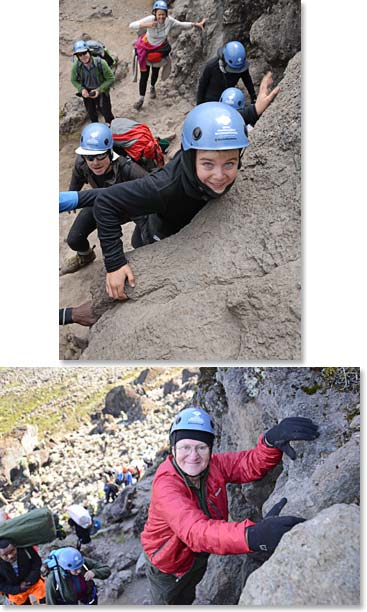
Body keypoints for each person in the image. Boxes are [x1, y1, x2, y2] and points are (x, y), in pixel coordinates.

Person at [59, 101, 250, 300]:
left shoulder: (131, 170)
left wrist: (253, 111)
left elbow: (122, 198)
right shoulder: (163, 186)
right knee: (77, 238)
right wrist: (73, 196)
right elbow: (108, 198)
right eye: (208, 164)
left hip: (139, 207)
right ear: (191, 157)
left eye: (230, 163)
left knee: (142, 241)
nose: (219, 175)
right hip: (135, 207)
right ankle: (86, 255)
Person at [140, 408, 319, 604]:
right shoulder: (166, 485)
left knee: (189, 595)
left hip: (197, 556)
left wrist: (269, 441)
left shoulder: (212, 466)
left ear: (210, 449)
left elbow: (247, 464)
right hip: (168, 566)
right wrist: (252, 535)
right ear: (173, 449)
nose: (193, 456)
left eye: (201, 447)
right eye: (185, 447)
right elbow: (194, 531)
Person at [60, 123, 147, 275]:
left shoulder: (128, 169)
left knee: (140, 242)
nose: (95, 162)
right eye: (90, 157)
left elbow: (151, 189)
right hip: (102, 202)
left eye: (100, 155)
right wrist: (72, 193)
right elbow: (77, 177)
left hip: (132, 206)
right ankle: (85, 256)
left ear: (110, 152)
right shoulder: (82, 163)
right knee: (74, 239)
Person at [129, 0, 207, 110]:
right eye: (159, 14)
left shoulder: (169, 21)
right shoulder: (150, 19)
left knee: (155, 72)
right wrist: (148, 25)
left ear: (166, 14)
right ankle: (141, 99)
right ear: (155, 14)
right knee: (144, 76)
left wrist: (196, 24)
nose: (161, 17)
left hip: (159, 50)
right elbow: (132, 25)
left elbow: (181, 25)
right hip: (146, 50)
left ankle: (152, 87)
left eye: (163, 14)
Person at [197, 40, 257, 106]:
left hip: (228, 100)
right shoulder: (211, 66)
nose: (236, 71)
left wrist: (253, 97)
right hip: (211, 101)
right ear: (224, 61)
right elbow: (202, 86)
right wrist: (199, 105)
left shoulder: (241, 66)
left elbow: (247, 80)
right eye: (233, 69)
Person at [45, 546, 111, 605]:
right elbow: (50, 601)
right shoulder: (53, 577)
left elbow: (106, 569)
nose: (79, 571)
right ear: (66, 568)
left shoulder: (80, 562)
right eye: (75, 570)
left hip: (88, 598)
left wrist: (94, 572)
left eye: (79, 567)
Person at [70, 40, 115, 124]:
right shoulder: (76, 66)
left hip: (102, 92)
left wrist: (99, 90)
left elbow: (111, 78)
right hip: (87, 93)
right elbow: (73, 80)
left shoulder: (101, 63)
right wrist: (82, 89)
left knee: (107, 113)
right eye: (80, 54)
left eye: (85, 53)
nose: (83, 56)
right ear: (77, 56)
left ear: (89, 52)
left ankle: (112, 131)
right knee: (92, 115)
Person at [0, 538, 46, 605]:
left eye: (12, 551)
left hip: (34, 583)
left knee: (45, 599)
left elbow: (37, 564)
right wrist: (18, 589)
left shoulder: (26, 549)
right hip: (15, 592)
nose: (10, 556)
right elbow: (1, 585)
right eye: (5, 555)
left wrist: (28, 581)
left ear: (16, 547)